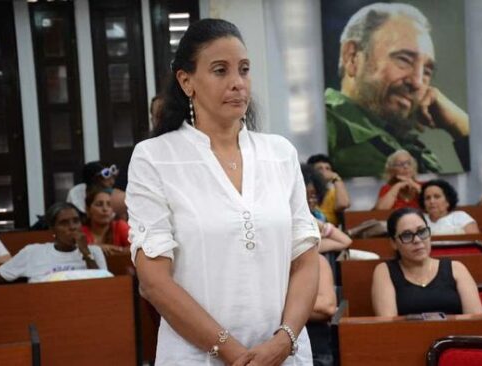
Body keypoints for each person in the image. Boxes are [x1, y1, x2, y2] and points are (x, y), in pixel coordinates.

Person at [126, 19, 320, 365]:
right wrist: (233, 353)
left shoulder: (279, 153)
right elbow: (154, 281)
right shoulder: (155, 158)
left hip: (283, 355)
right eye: (220, 70)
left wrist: (283, 341)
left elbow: (305, 260)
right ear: (186, 81)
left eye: (244, 70)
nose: (237, 83)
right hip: (198, 356)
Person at [326, 3, 470, 177]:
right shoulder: (324, 123)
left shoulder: (414, 149)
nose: (417, 82)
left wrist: (459, 126)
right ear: (353, 57)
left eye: (427, 71)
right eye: (404, 60)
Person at [371, 207, 482, 316]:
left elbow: (475, 320)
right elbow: (388, 323)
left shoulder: (456, 268)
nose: (417, 240)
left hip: (453, 334)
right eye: (406, 235)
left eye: (422, 231)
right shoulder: (384, 271)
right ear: (393, 243)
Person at [0, 202, 107, 285]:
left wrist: (86, 253)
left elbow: (102, 286)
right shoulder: (32, 252)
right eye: (64, 223)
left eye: (76, 221)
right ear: (53, 229)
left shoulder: (94, 252)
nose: (72, 227)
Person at [82, 187, 130, 255]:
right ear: (88, 209)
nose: (105, 209)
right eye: (99, 204)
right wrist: (97, 249)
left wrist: (116, 250)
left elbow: (137, 248)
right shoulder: (81, 232)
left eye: (109, 204)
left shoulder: (120, 226)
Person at [306, 154, 350, 227]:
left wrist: (336, 178)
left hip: (330, 233)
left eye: (328, 169)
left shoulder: (332, 192)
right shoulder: (305, 191)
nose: (324, 171)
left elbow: (343, 204)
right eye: (320, 168)